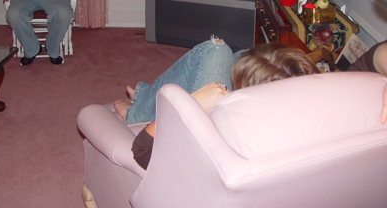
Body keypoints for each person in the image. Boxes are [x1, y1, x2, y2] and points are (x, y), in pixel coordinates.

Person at [118, 41, 320, 169]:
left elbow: (143, 150)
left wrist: (191, 104)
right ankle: (144, 94)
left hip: (193, 138)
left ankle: (135, 112)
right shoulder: (313, 125)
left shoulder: (234, 136)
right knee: (241, 54)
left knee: (216, 49)